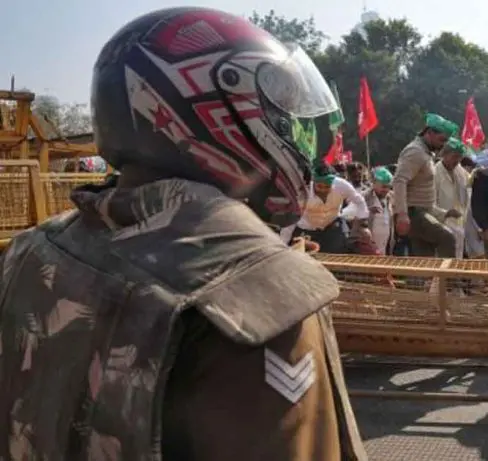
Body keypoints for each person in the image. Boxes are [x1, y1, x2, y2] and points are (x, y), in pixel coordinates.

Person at [0, 7, 367, 461]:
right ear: (218, 111)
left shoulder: (28, 252)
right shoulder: (260, 293)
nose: (293, 134)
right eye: (278, 113)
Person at [393, 113, 461, 257]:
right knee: (448, 238)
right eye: (441, 140)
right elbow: (400, 181)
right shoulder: (415, 151)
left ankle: (426, 273)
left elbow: (422, 193)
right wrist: (402, 214)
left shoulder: (426, 153)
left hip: (424, 212)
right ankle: (449, 273)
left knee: (425, 260)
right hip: (414, 214)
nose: (443, 145)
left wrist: (443, 213)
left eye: (445, 141)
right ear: (429, 133)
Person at [281, 163, 370, 254]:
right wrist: (283, 244)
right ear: (314, 182)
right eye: (319, 186)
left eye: (327, 187)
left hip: (332, 226)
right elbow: (290, 220)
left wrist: (362, 225)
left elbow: (360, 202)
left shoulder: (342, 186)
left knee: (338, 255)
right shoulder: (302, 192)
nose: (323, 190)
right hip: (307, 229)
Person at [434, 138, 470, 259]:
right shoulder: (434, 173)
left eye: (460, 157)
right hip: (441, 224)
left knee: (457, 260)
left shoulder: (460, 170)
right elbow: (429, 203)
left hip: (459, 223)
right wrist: (446, 213)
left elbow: (470, 183)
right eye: (454, 157)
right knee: (442, 260)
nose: (457, 161)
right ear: (444, 154)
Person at [364, 167, 395, 255]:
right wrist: (366, 211)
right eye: (383, 186)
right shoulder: (363, 197)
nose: (386, 190)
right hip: (367, 250)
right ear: (374, 183)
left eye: (388, 187)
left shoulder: (391, 198)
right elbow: (346, 215)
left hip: (385, 249)